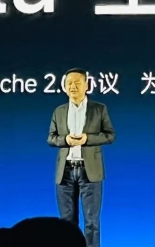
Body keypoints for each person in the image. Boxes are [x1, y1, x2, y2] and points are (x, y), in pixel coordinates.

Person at [47, 68, 116, 247]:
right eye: (69, 83)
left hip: (89, 170)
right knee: (66, 222)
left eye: (77, 83)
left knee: (91, 221)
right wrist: (66, 140)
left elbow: (110, 136)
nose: (73, 86)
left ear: (86, 86)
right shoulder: (59, 111)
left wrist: (87, 139)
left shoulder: (99, 109)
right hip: (65, 171)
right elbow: (51, 138)